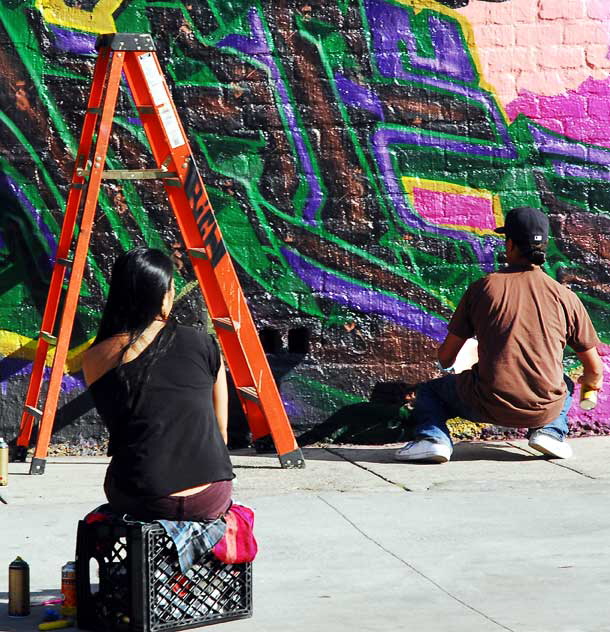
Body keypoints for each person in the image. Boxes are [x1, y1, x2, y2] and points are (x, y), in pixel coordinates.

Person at [395, 207, 604, 463]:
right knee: (567, 384)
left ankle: (433, 439)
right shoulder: (566, 297)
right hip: (542, 408)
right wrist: (590, 382)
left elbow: (447, 357)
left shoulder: (484, 288)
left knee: (429, 392)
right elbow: (593, 369)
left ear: (510, 244)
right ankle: (550, 431)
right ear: (545, 247)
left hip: (485, 402)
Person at [82, 247, 234, 520]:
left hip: (142, 496)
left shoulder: (95, 358)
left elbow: (126, 430)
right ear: (163, 298)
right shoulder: (205, 343)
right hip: (211, 495)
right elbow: (221, 433)